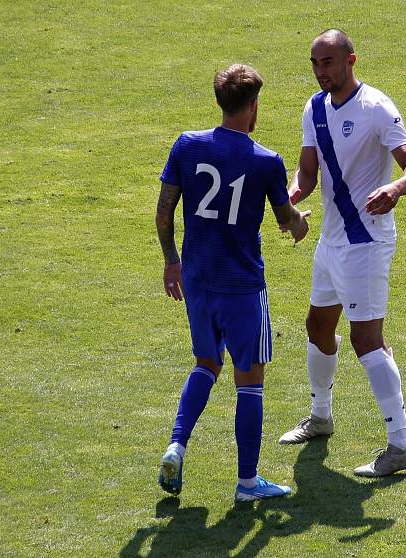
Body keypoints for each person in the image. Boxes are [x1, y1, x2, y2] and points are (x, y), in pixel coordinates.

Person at [155, 64, 311, 501]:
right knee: (250, 379)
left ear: (220, 102)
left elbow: (164, 212)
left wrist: (172, 262)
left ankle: (176, 445)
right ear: (254, 106)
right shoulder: (265, 161)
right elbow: (285, 220)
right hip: (243, 285)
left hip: (198, 279)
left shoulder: (186, 146)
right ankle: (246, 482)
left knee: (206, 363)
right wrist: (300, 225)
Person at [278, 30, 406, 477]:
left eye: (328, 62)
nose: (321, 71)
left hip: (367, 241)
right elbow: (307, 172)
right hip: (331, 241)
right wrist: (289, 199)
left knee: (367, 340)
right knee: (318, 324)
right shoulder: (314, 108)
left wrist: (396, 187)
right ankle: (320, 417)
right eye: (314, 63)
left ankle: (402, 444)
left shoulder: (376, 107)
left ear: (350, 61)